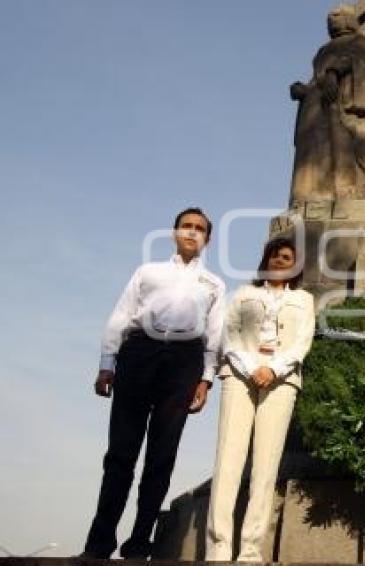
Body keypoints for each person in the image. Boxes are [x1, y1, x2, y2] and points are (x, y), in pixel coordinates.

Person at [82, 207, 225, 559]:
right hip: (140, 353)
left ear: (208, 239)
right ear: (175, 232)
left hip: (184, 363)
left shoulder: (215, 284)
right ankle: (99, 542)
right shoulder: (148, 272)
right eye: (186, 226)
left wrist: (206, 379)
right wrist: (107, 364)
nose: (192, 232)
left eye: (200, 229)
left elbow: (216, 334)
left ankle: (139, 542)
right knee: (121, 453)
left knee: (162, 456)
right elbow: (120, 315)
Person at [205, 237, 315, 562]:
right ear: (265, 259)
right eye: (275, 255)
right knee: (228, 459)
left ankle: (251, 550)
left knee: (265, 466)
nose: (281, 261)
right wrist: (254, 367)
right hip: (240, 375)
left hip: (281, 380)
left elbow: (301, 343)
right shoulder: (243, 294)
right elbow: (230, 334)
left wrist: (274, 369)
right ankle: (219, 548)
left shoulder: (304, 299)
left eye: (287, 257)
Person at [289, 4, 365, 201]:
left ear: (349, 19)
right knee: (315, 152)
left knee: (342, 145)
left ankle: (346, 192)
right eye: (330, 17)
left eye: (337, 15)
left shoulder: (357, 40)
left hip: (338, 101)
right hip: (317, 105)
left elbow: (357, 59)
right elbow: (316, 78)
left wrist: (334, 71)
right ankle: (314, 194)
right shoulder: (322, 50)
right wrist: (303, 89)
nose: (332, 19)